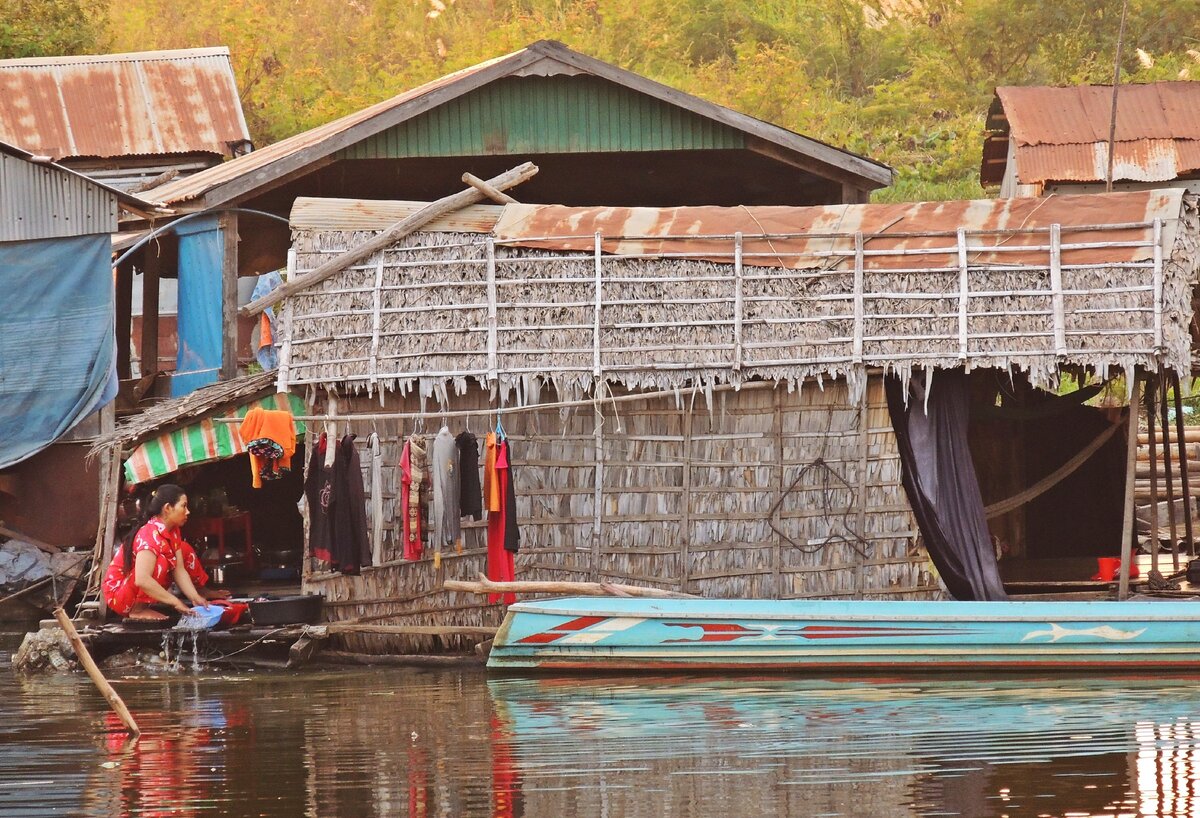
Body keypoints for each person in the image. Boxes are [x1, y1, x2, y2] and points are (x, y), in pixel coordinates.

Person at [102, 484, 228, 622]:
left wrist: (194, 597)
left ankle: (199, 591)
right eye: (184, 506)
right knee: (161, 560)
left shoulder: (173, 532)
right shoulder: (149, 535)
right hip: (119, 595)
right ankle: (137, 610)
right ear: (168, 508)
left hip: (132, 589)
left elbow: (179, 569)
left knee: (183, 549)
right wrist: (175, 602)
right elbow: (142, 579)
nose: (188, 512)